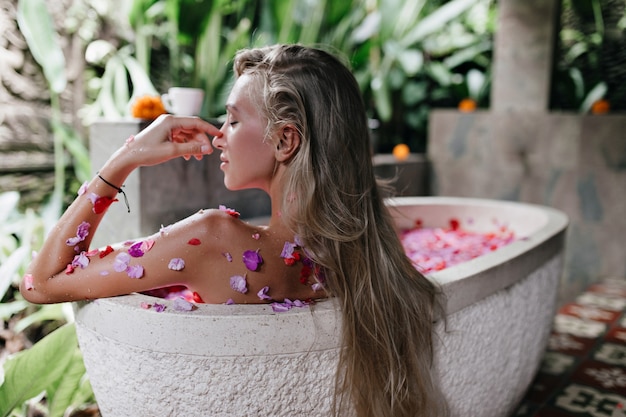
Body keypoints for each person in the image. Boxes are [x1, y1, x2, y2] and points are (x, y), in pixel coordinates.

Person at [21, 44, 447, 417]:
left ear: (285, 141)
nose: (219, 136)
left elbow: (40, 283)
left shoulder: (213, 240)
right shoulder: (368, 254)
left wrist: (126, 158)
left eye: (233, 120)